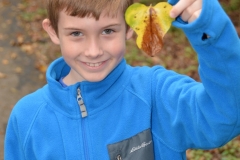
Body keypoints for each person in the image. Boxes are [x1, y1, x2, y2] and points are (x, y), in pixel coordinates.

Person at [4, 0, 240, 159]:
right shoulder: (27, 117)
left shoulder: (155, 93)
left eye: (108, 31)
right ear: (53, 31)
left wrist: (212, 33)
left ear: (129, 27)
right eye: (77, 33)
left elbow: (225, 116)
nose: (93, 51)